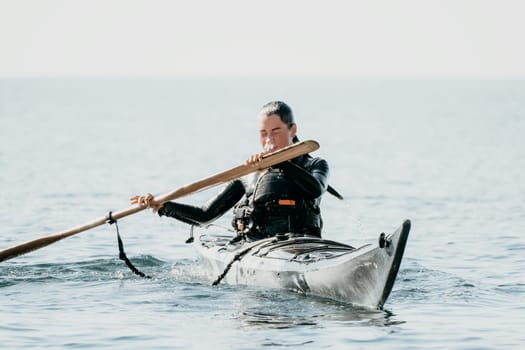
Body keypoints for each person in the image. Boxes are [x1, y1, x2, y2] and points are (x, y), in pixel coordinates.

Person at [130, 101, 330, 240]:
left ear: (292, 130)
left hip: (304, 245)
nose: (269, 140)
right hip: (257, 246)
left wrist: (281, 162)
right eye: (263, 134)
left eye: (276, 132)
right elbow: (205, 215)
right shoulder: (249, 173)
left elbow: (315, 189)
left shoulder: (315, 165)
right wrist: (162, 204)